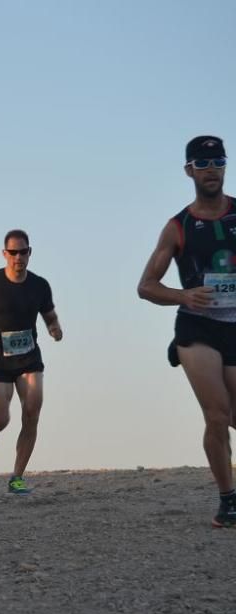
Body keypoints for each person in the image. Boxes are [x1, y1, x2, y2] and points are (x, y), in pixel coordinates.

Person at [138, 135, 236, 527]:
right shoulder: (178, 227)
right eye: (202, 163)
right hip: (199, 329)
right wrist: (183, 295)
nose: (211, 169)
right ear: (189, 170)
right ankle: (228, 499)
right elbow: (146, 286)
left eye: (217, 161)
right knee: (216, 414)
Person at [0, 230, 63, 495]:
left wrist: (55, 328)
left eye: (23, 252)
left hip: (29, 357)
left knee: (32, 412)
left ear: (30, 253)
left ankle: (17, 477)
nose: (18, 257)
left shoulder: (40, 285)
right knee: (1, 416)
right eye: (13, 252)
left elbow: (50, 316)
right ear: (4, 254)